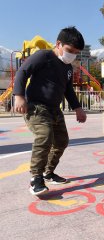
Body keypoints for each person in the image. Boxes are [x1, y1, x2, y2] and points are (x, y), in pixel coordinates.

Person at [13, 26, 87, 196]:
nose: (72, 55)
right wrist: (19, 96)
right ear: (58, 44)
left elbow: (68, 90)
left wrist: (78, 108)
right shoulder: (43, 56)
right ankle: (36, 179)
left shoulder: (67, 67)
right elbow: (22, 72)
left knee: (62, 141)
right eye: (70, 50)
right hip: (36, 107)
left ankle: (48, 172)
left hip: (55, 110)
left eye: (76, 53)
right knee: (44, 136)